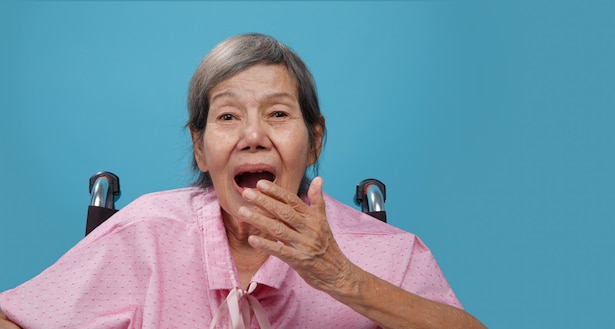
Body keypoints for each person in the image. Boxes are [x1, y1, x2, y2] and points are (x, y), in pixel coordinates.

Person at [0, 33, 485, 329]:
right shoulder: (145, 233)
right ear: (199, 148)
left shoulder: (389, 255)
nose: (253, 136)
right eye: (229, 116)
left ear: (314, 141)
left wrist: (342, 277)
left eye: (277, 113)